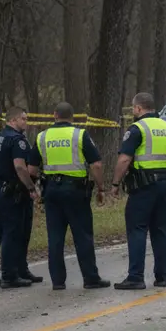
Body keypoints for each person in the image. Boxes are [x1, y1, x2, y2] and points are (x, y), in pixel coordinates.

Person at [36, 103, 111, 290]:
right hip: (76, 192)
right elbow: (96, 165)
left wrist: (35, 189)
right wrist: (101, 188)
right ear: (73, 117)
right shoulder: (80, 135)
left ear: (54, 115)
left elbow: (30, 168)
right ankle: (91, 278)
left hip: (51, 191)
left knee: (55, 238)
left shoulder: (42, 136)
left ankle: (58, 282)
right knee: (82, 236)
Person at [112, 92, 166, 290]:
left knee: (137, 229)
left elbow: (124, 159)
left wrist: (115, 183)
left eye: (134, 108)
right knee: (159, 230)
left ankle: (136, 277)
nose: (133, 112)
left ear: (139, 108)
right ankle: (162, 277)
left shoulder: (137, 128)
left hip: (144, 185)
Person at [0, 107, 44, 289]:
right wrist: (31, 188)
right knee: (13, 232)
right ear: (13, 120)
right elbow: (20, 167)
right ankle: (10, 275)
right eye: (23, 119)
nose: (26, 122)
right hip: (10, 193)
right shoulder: (18, 140)